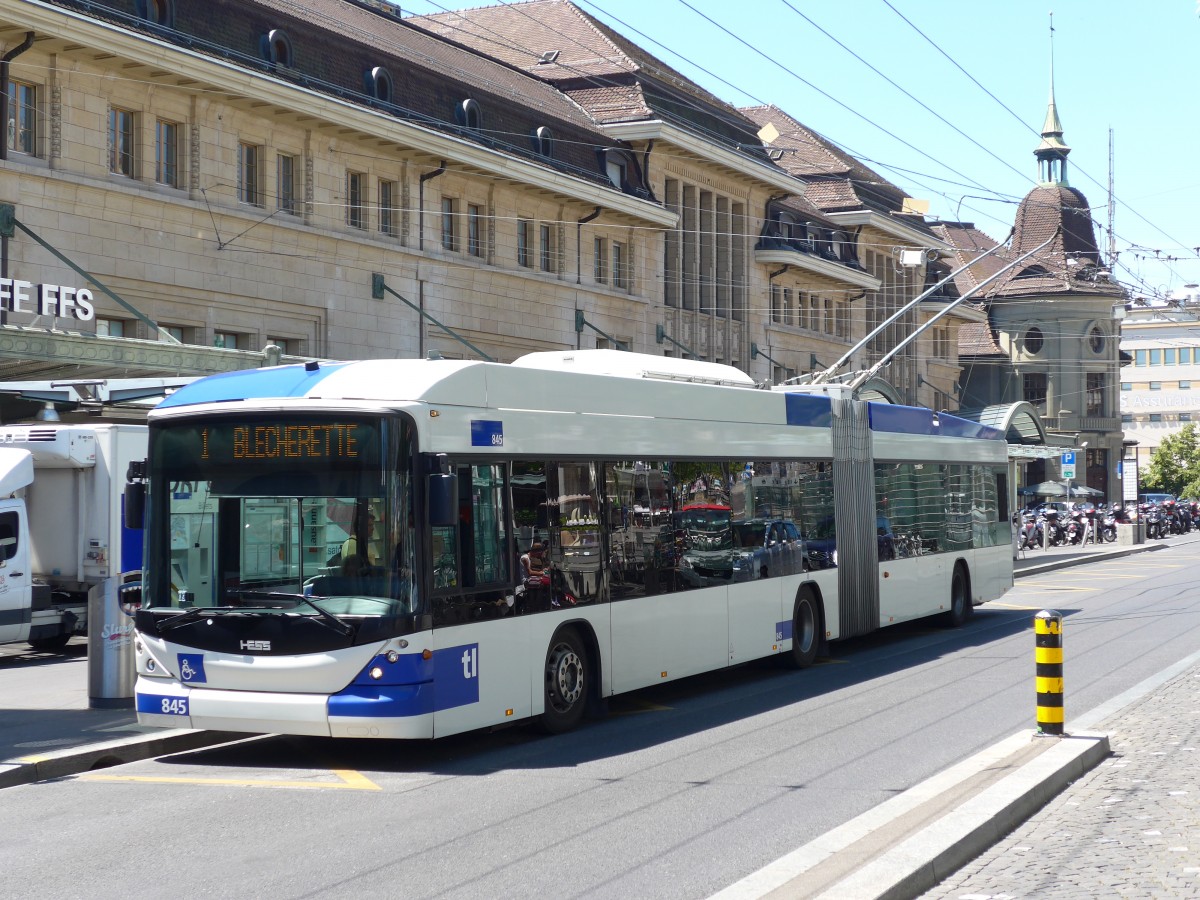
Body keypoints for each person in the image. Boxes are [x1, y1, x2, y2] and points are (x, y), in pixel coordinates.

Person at [341, 508, 376, 574]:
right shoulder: (353, 544)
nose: (373, 528)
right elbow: (353, 571)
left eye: (372, 525)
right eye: (369, 525)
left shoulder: (360, 543)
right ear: (361, 527)